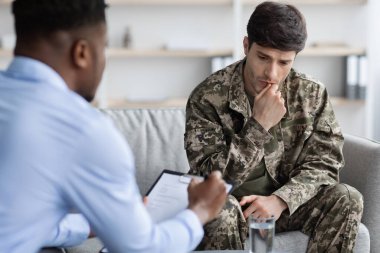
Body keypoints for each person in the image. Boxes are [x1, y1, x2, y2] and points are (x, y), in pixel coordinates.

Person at [0, 1, 228, 253]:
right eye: (103, 48)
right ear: (82, 53)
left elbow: (20, 219)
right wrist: (200, 211)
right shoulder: (82, 129)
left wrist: (98, 221)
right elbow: (142, 249)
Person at [184, 1, 363, 252]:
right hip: (235, 211)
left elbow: (325, 163)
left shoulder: (311, 94)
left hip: (286, 207)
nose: (272, 73)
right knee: (220, 210)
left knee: (347, 197)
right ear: (246, 46)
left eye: (284, 63)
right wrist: (258, 126)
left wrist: (281, 200)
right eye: (263, 57)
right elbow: (210, 179)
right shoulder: (207, 97)